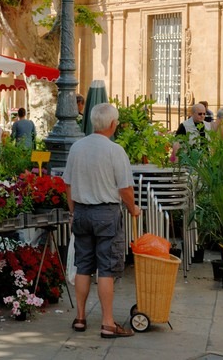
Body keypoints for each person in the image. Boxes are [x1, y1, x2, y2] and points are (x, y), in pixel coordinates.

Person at [63, 102, 141, 338]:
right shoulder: (115, 150)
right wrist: (133, 209)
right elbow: (125, 188)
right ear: (112, 124)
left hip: (82, 212)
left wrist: (73, 209)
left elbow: (67, 183)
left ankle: (80, 317)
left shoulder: (77, 147)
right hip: (106, 213)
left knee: (83, 265)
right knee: (105, 268)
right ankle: (108, 322)